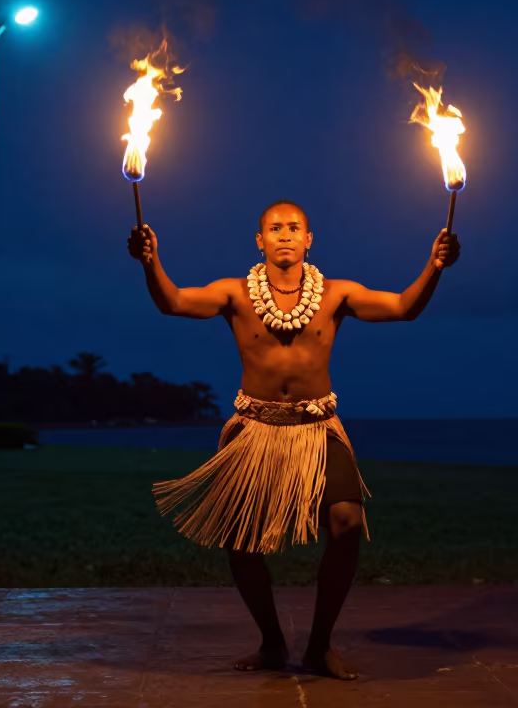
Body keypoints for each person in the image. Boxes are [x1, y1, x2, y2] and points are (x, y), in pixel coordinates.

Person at [127, 200, 460, 680]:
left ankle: (319, 646)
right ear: (260, 241)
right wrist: (150, 261)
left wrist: (434, 266)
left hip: (318, 426)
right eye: (274, 228)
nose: (285, 233)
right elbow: (174, 302)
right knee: (241, 542)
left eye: (295, 227)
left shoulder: (336, 294)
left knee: (346, 521)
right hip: (254, 428)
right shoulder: (235, 293)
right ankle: (271, 642)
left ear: (309, 239)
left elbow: (404, 308)